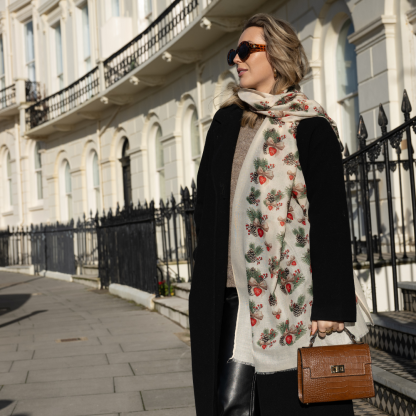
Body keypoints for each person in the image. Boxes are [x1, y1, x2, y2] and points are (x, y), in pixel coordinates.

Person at [189, 13, 368, 416]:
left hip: (295, 299)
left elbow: (330, 219)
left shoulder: (310, 126)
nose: (237, 58)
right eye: (235, 51)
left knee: (291, 404)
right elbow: (207, 207)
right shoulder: (226, 122)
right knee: (230, 405)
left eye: (247, 49)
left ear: (278, 55)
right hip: (231, 296)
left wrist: (331, 304)